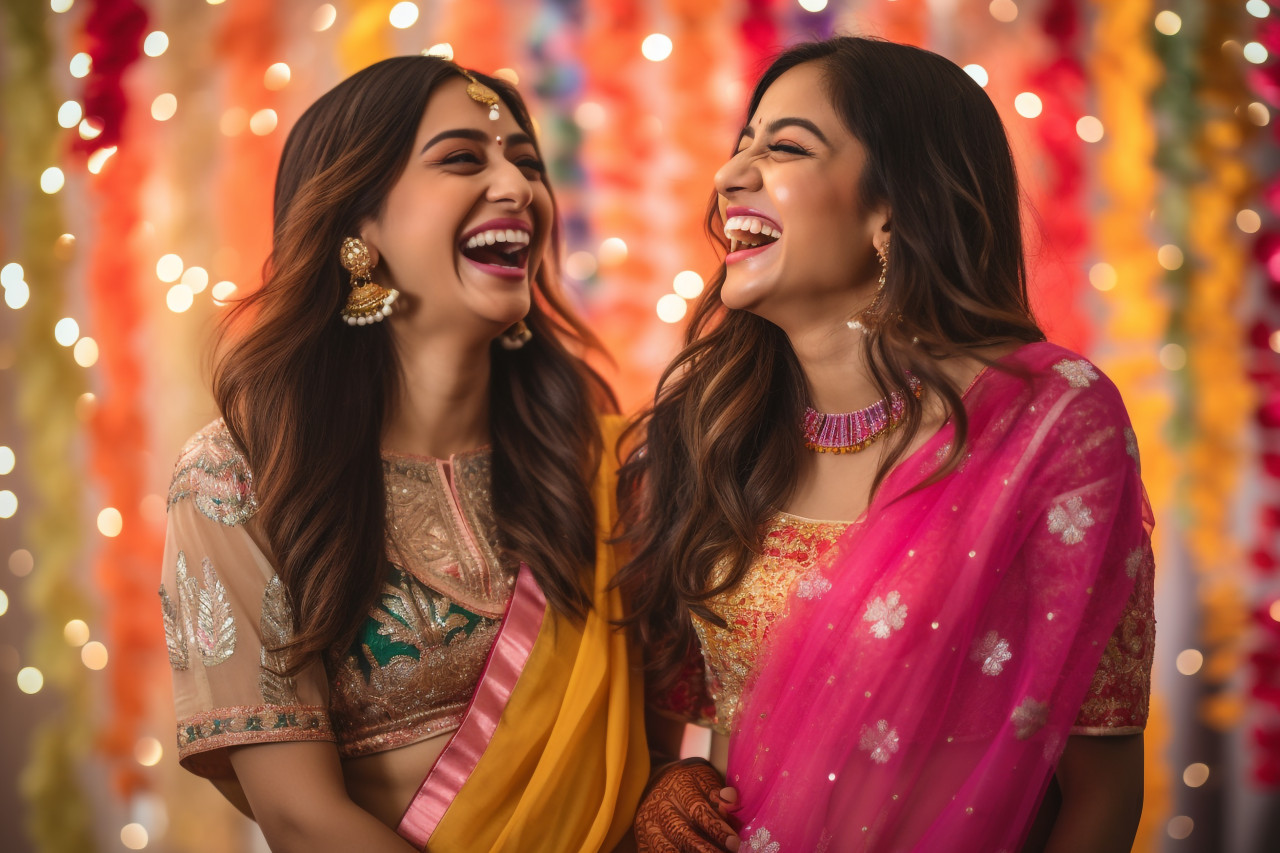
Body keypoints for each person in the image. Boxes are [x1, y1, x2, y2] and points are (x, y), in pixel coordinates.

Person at [619, 37, 1154, 852]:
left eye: (786, 146)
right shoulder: (712, 434)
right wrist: (674, 782)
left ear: (895, 201)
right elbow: (678, 735)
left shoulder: (1048, 423)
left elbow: (1101, 792)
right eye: (740, 146)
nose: (731, 175)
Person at [159, 56, 652, 852]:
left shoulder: (593, 459)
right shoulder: (246, 473)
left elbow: (657, 725)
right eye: (464, 158)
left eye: (527, 164)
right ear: (360, 230)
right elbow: (301, 818)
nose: (518, 188)